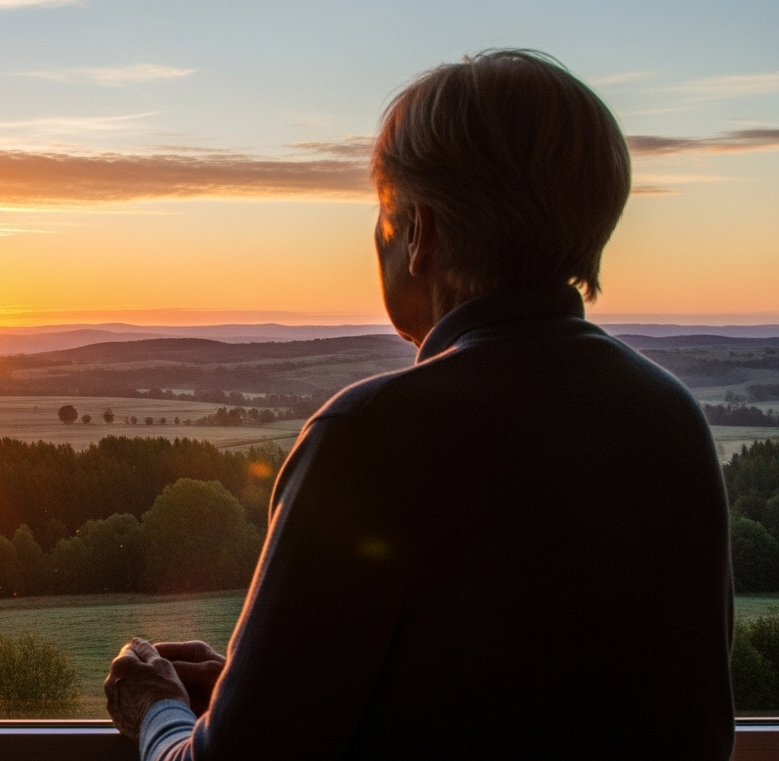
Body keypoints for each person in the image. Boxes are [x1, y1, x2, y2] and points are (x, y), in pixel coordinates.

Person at [103, 49, 734, 760]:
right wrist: (259, 691)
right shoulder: (668, 418)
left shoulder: (371, 437)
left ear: (422, 231)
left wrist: (158, 712)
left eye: (384, 212)